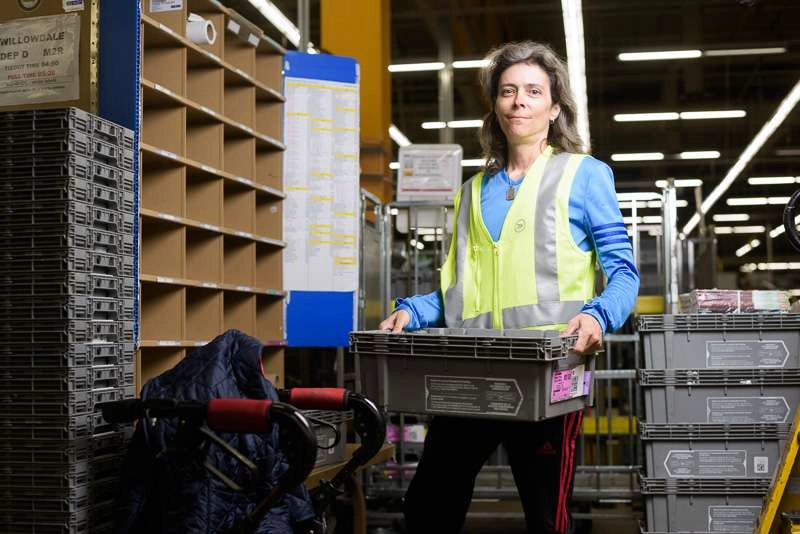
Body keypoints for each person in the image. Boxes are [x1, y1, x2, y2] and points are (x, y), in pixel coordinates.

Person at [378, 41, 639, 534]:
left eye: (533, 91)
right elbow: (459, 295)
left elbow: (623, 273)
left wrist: (598, 316)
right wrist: (413, 310)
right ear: (496, 105)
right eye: (508, 91)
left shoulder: (583, 176)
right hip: (474, 372)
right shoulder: (471, 192)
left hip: (550, 374)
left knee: (546, 517)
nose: (519, 100)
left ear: (554, 106)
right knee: (429, 505)